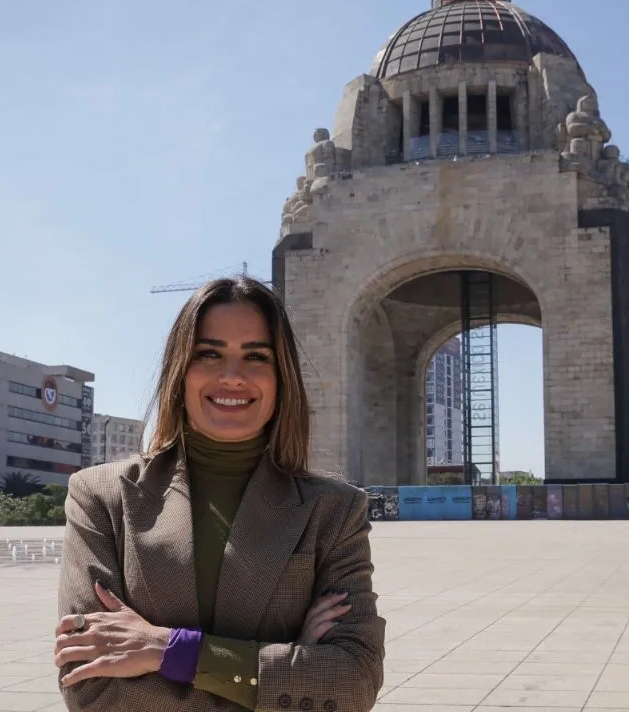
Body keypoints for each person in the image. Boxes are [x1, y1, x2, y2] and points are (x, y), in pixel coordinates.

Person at [53, 277, 385, 712]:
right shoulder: (100, 496)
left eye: (256, 356)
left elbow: (353, 681)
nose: (233, 376)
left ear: (281, 375)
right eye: (209, 354)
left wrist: (168, 649)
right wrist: (288, 668)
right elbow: (88, 683)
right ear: (180, 369)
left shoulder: (335, 510)